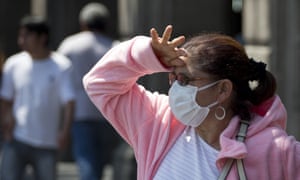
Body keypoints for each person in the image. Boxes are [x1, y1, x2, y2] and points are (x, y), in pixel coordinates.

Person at [82, 25, 300, 180]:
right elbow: (98, 84)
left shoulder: (277, 150)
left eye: (185, 80)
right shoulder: (159, 121)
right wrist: (148, 54)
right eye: (173, 77)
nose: (176, 88)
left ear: (223, 90)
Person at [0, 15, 75, 180]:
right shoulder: (13, 63)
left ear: (42, 37)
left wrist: (65, 132)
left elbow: (69, 102)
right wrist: (6, 120)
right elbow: (5, 99)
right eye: (20, 35)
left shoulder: (61, 66)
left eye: (27, 36)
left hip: (47, 142)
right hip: (17, 138)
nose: (21, 40)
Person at [57, 2, 120, 180]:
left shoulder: (70, 45)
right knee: (101, 161)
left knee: (86, 159)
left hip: (80, 111)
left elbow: (59, 75)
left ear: (83, 23)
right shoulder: (114, 46)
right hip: (108, 112)